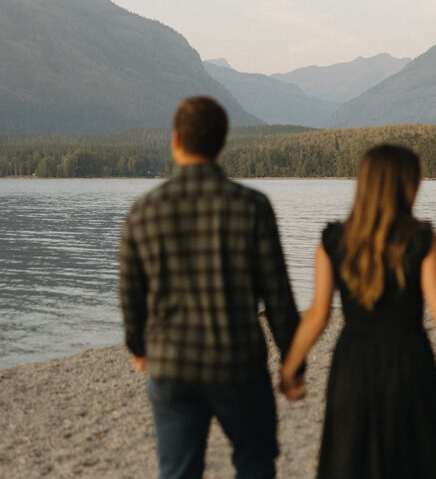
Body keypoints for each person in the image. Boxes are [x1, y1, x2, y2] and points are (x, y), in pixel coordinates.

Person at [279, 143, 436, 478]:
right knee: (413, 463)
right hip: (410, 365)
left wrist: (290, 369)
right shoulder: (422, 239)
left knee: (349, 462)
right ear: (406, 185)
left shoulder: (334, 240)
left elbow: (318, 314)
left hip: (353, 368)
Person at [119, 96, 301, 479]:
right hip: (238, 364)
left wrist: (138, 348)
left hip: (171, 366)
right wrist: (292, 362)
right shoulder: (252, 206)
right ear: (221, 143)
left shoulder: (143, 211)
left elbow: (131, 295)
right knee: (255, 464)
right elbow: (278, 295)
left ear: (176, 142)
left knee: (178, 473)